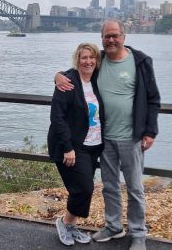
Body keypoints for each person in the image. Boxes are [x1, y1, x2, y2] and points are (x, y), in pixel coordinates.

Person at [55, 19, 160, 250]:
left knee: (134, 188)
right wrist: (58, 75)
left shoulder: (140, 61)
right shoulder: (99, 61)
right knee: (109, 186)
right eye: (107, 36)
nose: (111, 40)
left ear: (124, 36)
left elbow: (153, 99)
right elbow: (79, 69)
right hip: (105, 139)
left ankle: (138, 233)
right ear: (102, 38)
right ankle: (113, 226)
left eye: (115, 35)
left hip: (132, 137)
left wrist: (150, 131)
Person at [48, 43, 103, 246]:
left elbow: (119, 55)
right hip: (72, 145)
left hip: (94, 145)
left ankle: (71, 225)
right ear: (77, 60)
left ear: (97, 60)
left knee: (82, 188)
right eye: (84, 57)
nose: (88, 61)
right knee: (84, 188)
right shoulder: (67, 82)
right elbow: (57, 117)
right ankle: (64, 222)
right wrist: (68, 147)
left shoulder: (98, 80)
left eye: (92, 58)